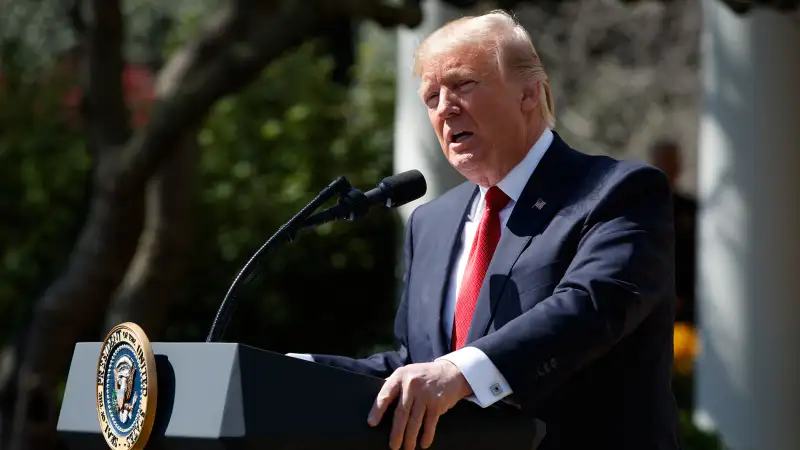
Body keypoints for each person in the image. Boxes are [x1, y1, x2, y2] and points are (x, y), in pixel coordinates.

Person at [289, 10, 681, 450]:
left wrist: (459, 373)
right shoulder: (431, 223)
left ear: (530, 94)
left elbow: (591, 307)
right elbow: (418, 366)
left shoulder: (617, 192)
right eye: (431, 96)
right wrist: (292, 372)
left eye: (463, 85)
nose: (444, 108)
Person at [650, 138, 698, 324]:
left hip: (690, 306)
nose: (668, 167)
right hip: (650, 306)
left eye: (672, 161)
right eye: (663, 161)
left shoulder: (693, 210)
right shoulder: (638, 209)